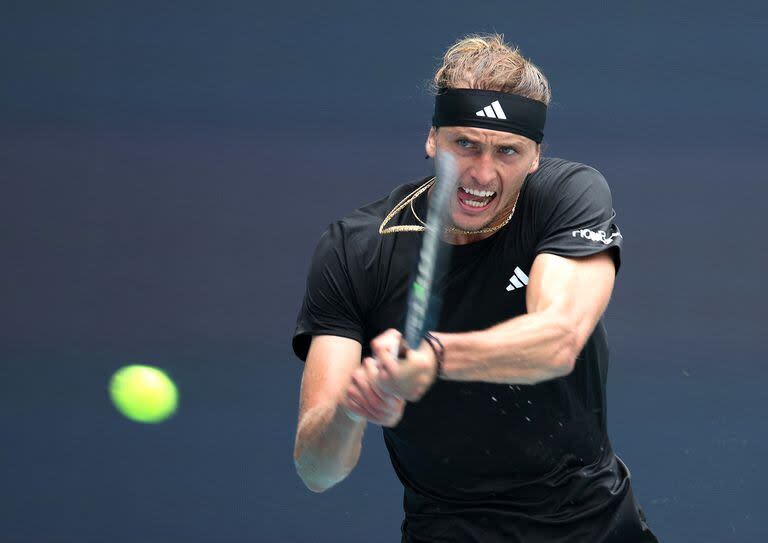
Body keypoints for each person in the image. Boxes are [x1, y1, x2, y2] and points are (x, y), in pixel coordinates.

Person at [291, 34, 659, 543]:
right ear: (432, 139)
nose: (482, 173)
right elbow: (317, 470)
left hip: (592, 527)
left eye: (508, 151)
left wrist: (434, 359)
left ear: (534, 157)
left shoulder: (566, 196)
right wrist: (355, 405)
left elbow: (558, 341)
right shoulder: (355, 250)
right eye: (465, 144)